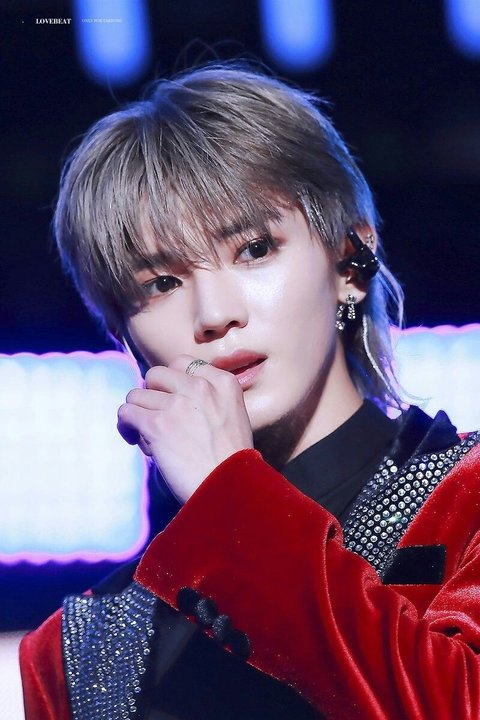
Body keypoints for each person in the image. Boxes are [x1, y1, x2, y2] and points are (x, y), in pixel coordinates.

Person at [19, 63, 480, 720]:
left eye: (255, 248)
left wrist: (230, 501)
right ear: (121, 332)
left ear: (351, 262)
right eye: (161, 284)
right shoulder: (80, 653)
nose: (215, 313)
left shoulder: (466, 508)